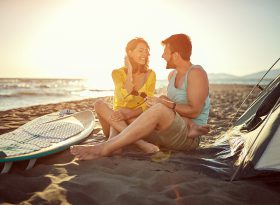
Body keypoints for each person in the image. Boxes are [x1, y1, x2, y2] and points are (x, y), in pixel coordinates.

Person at [70, 34, 211, 160]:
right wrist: (162, 100)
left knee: (159, 109)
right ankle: (126, 143)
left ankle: (105, 148)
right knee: (130, 115)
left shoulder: (196, 73)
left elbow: (194, 111)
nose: (162, 56)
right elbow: (172, 106)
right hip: (169, 129)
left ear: (176, 55)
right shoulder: (172, 75)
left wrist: (165, 104)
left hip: (188, 135)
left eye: (165, 52)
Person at [93, 37, 159, 153]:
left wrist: (129, 114)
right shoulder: (117, 73)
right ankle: (140, 143)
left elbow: (148, 103)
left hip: (136, 121)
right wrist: (129, 72)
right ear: (130, 53)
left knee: (127, 116)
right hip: (116, 120)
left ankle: (113, 141)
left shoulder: (151, 74)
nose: (145, 54)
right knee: (99, 104)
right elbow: (123, 98)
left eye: (146, 51)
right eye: (140, 50)